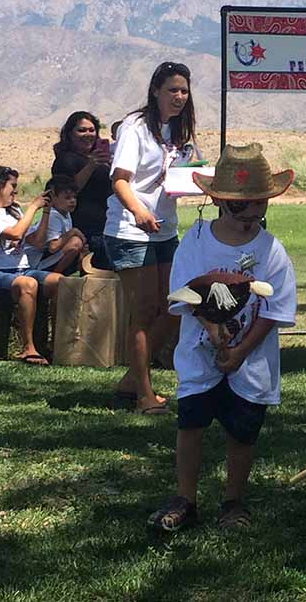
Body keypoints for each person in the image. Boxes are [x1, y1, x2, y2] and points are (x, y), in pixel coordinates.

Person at [149, 143, 296, 532]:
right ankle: (186, 498)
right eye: (240, 207)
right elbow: (185, 294)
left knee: (242, 430)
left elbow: (275, 310)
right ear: (218, 202)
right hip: (201, 354)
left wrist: (240, 351)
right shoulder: (195, 241)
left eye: (259, 206)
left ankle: (233, 502)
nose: (251, 216)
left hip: (252, 358)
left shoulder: (271, 250)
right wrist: (216, 336)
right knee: (191, 423)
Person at [105, 61, 197, 415]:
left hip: (165, 230)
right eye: (172, 89)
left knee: (174, 307)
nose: (178, 97)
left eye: (184, 91)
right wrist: (138, 212)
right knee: (143, 312)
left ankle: (132, 379)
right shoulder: (135, 127)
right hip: (131, 230)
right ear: (155, 90)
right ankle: (144, 395)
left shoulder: (176, 130)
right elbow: (120, 179)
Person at [0, 166, 61, 366]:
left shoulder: (14, 211)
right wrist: (33, 207)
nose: (15, 192)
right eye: (13, 186)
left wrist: (46, 211)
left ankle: (57, 342)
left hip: (21, 269)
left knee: (61, 283)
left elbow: (36, 241)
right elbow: (16, 234)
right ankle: (28, 347)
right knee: (27, 285)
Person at [50, 111, 113, 267]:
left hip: (106, 224)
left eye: (91, 130)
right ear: (70, 134)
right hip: (83, 226)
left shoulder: (101, 159)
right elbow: (69, 190)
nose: (88, 134)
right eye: (82, 130)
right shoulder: (65, 160)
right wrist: (91, 166)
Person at [24, 175, 86, 274]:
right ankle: (55, 277)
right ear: (52, 199)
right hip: (35, 260)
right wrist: (73, 232)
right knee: (75, 242)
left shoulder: (65, 213)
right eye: (67, 198)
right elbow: (53, 247)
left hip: (46, 256)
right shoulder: (53, 216)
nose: (72, 201)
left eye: (74, 197)